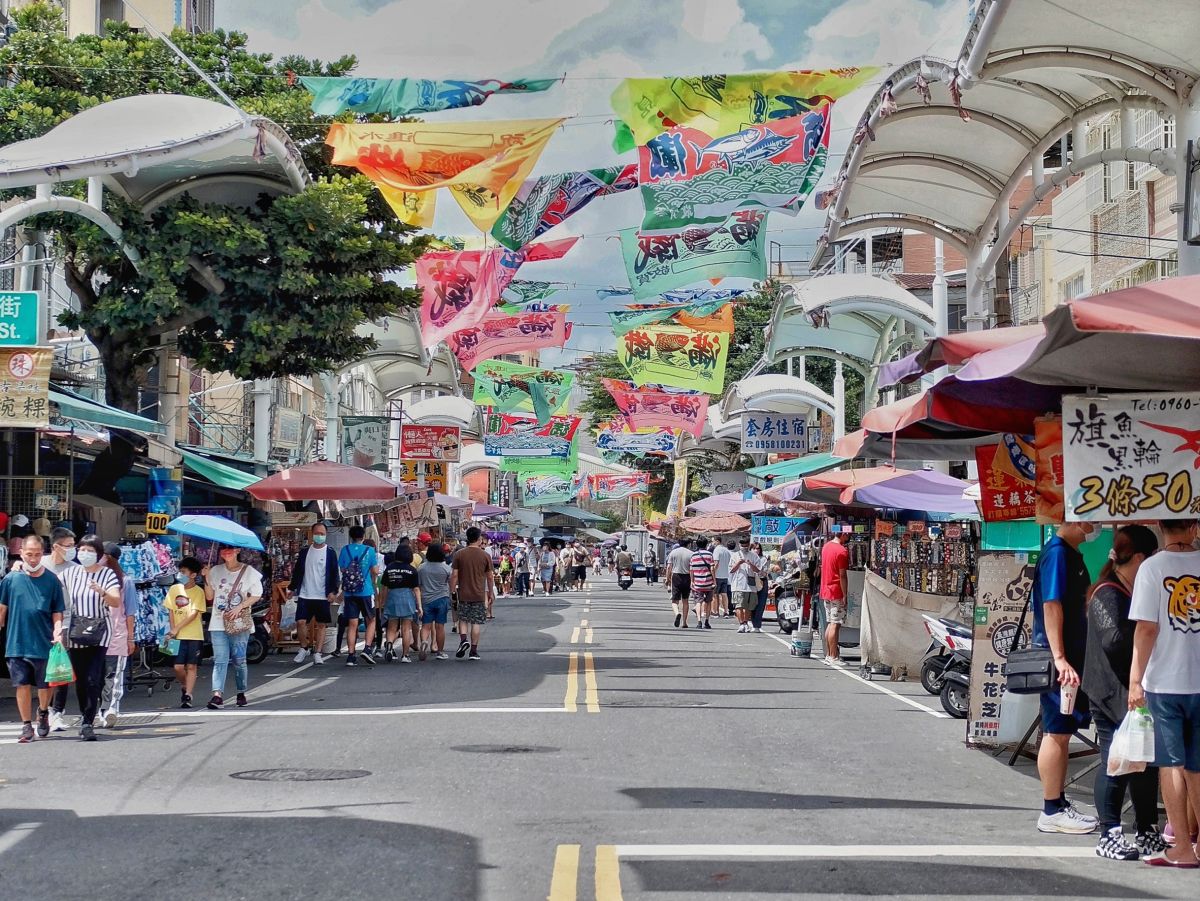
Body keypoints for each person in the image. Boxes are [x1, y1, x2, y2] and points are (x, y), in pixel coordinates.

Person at [1082, 525, 1165, 860]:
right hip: (1108, 691)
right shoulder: (1107, 592)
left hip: (1132, 692)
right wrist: (1147, 626)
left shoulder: (1129, 590)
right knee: (1115, 761)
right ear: (1142, 559)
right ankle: (1109, 834)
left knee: (1144, 762)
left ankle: (1146, 830)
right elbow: (1113, 641)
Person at [1129, 518, 1200, 866]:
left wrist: (1134, 679)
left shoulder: (1152, 568)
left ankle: (1183, 848)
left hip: (1165, 683)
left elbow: (1146, 629)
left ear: (1160, 525)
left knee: (1171, 763)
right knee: (1198, 767)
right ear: (1194, 527)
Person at [1031, 521, 1098, 835]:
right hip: (1061, 660)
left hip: (1070, 658)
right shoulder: (1058, 553)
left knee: (1062, 730)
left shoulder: (1071, 553)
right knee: (1056, 730)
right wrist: (1060, 659)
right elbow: (1051, 605)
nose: (1094, 524)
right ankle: (1051, 809)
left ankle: (1057, 801)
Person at [0, 534, 66, 743]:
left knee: (46, 685)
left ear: (43, 554)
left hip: (44, 641)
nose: (33, 559)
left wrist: (58, 630)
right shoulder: (11, 579)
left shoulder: (52, 580)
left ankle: (43, 712)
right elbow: (2, 609)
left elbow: (57, 610)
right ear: (21, 553)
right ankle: (26, 725)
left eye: (38, 554)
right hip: (17, 641)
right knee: (22, 684)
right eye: (29, 554)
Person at [59, 535, 122, 740]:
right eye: (82, 550)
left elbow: (115, 601)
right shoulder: (71, 573)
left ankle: (88, 721)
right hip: (77, 629)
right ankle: (84, 713)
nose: (84, 554)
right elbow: (50, 584)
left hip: (100, 630)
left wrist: (102, 592)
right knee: (81, 678)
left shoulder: (107, 575)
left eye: (90, 551)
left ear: (99, 554)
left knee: (93, 677)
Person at [203, 545, 264, 709]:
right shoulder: (215, 570)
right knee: (220, 660)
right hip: (218, 622)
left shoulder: (248, 571)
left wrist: (240, 607)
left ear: (237, 551)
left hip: (238, 622)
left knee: (239, 660)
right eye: (223, 550)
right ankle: (217, 695)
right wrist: (206, 579)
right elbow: (209, 596)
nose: (226, 552)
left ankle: (241, 691)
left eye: (230, 549)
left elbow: (257, 594)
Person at [288, 522, 340, 666]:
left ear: (326, 535)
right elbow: (298, 571)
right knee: (300, 622)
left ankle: (318, 652)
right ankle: (304, 648)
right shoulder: (305, 552)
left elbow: (335, 573)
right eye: (317, 533)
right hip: (305, 594)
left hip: (322, 595)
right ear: (312, 534)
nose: (319, 536)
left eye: (322, 534)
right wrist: (292, 588)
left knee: (321, 624)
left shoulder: (330, 552)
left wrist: (334, 591)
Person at [98, 543, 137, 728]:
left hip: (117, 634)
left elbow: (130, 612)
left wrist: (131, 637)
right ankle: (99, 709)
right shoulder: (90, 578)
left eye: (100, 554)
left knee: (113, 674)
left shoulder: (125, 581)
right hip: (94, 635)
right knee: (96, 675)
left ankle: (110, 709)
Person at [43, 527, 78, 733]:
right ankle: (44, 710)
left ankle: (57, 712)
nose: (73, 550)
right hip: (42, 624)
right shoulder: (41, 565)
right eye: (69, 546)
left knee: (62, 669)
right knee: (44, 671)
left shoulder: (74, 568)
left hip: (65, 624)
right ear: (56, 546)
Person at [165, 556, 206, 708]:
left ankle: (188, 694)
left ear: (193, 575)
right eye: (179, 571)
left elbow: (194, 614)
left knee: (192, 666)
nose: (180, 575)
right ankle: (184, 685)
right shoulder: (174, 589)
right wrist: (172, 630)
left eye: (183, 572)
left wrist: (176, 628)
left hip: (194, 634)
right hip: (177, 635)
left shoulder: (198, 592)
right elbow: (170, 610)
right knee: (178, 667)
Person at [338, 525, 381, 667]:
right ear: (363, 536)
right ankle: (367, 648)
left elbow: (343, 569)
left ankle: (351, 656)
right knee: (371, 620)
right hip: (366, 591)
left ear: (351, 536)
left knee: (352, 624)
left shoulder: (345, 550)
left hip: (350, 592)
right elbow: (375, 571)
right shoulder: (370, 550)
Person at [451, 526, 494, 661]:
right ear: (479, 539)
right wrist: (491, 592)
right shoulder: (485, 555)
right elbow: (490, 577)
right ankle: (473, 651)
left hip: (463, 593)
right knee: (475, 622)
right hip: (479, 594)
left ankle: (464, 640)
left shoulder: (459, 554)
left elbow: (454, 575)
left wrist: (452, 590)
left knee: (463, 619)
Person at [382, 544, 422, 663]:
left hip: (392, 597)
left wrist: (383, 602)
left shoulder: (389, 568)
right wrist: (419, 606)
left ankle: (389, 645)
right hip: (407, 599)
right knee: (406, 629)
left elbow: (384, 587)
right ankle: (405, 655)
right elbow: (416, 589)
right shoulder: (411, 570)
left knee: (391, 627)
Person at [417, 542, 452, 661]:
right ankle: (440, 652)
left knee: (426, 626)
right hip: (442, 598)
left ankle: (424, 642)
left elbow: (419, 585)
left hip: (426, 599)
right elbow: (450, 582)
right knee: (440, 627)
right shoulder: (446, 568)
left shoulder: (422, 568)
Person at [819, 532, 850, 660]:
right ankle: (833, 656)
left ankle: (829, 654)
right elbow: (842, 575)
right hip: (836, 590)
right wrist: (845, 594)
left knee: (831, 623)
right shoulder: (842, 551)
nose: (849, 536)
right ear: (843, 534)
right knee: (835, 624)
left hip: (826, 589)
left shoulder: (826, 546)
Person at [729, 539, 757, 632]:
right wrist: (739, 563)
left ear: (749, 545)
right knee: (738, 605)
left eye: (746, 545)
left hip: (750, 585)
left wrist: (751, 564)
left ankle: (745, 622)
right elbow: (731, 570)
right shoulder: (735, 555)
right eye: (742, 545)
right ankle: (741, 624)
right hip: (738, 584)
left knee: (749, 606)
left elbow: (758, 570)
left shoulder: (753, 555)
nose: (744, 547)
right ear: (739, 544)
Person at [665, 539, 693, 628]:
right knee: (685, 600)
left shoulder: (673, 553)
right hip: (687, 576)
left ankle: (677, 613)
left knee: (674, 600)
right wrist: (693, 580)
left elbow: (669, 567)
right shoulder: (691, 553)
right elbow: (692, 568)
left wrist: (667, 578)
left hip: (676, 576)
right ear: (688, 544)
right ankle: (684, 622)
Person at [689, 538, 717, 630]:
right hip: (709, 583)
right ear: (706, 545)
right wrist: (714, 580)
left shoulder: (693, 555)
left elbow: (691, 569)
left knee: (698, 602)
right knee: (708, 602)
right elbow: (712, 569)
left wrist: (692, 581)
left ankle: (699, 621)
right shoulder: (710, 554)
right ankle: (707, 621)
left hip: (697, 583)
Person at [749, 542, 771, 633]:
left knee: (760, 604)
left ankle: (757, 625)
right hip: (750, 581)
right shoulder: (747, 558)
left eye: (758, 549)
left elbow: (764, 572)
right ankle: (748, 622)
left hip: (762, 581)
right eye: (754, 548)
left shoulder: (764, 559)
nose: (756, 550)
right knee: (751, 603)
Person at [713, 537, 733, 620]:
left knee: (715, 595)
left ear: (717, 541)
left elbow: (716, 563)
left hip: (717, 575)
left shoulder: (717, 550)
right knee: (724, 594)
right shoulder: (726, 550)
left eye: (713, 541)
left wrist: (712, 572)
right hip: (725, 575)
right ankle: (726, 611)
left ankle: (716, 612)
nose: (713, 543)